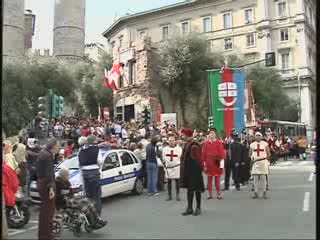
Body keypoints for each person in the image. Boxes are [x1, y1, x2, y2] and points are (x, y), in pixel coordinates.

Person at [36, 138, 60, 240]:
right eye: (58, 146)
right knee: (48, 213)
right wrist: (51, 188)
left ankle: (43, 235)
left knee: (44, 212)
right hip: (46, 185)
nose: (58, 148)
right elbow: (49, 174)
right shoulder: (48, 156)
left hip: (41, 183)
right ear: (53, 146)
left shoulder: (42, 153)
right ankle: (46, 236)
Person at [180, 127, 204, 216]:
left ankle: (198, 208)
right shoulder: (187, 144)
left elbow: (198, 161)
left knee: (197, 190)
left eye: (183, 134)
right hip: (189, 172)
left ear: (187, 135)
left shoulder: (194, 145)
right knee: (189, 191)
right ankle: (189, 208)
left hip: (195, 172)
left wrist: (198, 172)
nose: (182, 136)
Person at [78, 135, 103, 215]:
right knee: (96, 195)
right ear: (94, 141)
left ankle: (90, 214)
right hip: (94, 172)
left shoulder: (81, 150)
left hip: (85, 173)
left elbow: (79, 164)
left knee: (88, 196)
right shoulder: (96, 149)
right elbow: (100, 161)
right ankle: (97, 215)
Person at [202, 128, 225, 199]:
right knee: (209, 180)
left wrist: (221, 164)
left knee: (217, 180)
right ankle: (210, 194)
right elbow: (203, 154)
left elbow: (222, 154)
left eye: (213, 133)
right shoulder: (206, 143)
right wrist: (204, 164)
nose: (212, 134)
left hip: (216, 162)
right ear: (209, 135)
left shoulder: (218, 142)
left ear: (215, 135)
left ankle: (219, 194)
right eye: (210, 133)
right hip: (209, 162)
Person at [249, 132, 270, 199]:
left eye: (259, 136)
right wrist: (252, 158)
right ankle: (256, 192)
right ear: (255, 137)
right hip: (255, 162)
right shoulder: (252, 145)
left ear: (261, 136)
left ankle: (264, 192)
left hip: (263, 162)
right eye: (256, 136)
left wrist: (267, 161)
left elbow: (268, 153)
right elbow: (249, 153)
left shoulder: (265, 144)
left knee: (263, 178)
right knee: (255, 178)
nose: (258, 137)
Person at [162, 135, 182, 201]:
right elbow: (164, 158)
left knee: (177, 181)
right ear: (168, 141)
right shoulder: (164, 149)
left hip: (176, 167)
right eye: (170, 140)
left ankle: (178, 195)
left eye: (172, 140)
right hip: (168, 167)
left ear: (175, 141)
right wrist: (165, 165)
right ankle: (169, 195)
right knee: (169, 182)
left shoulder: (179, 149)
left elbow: (180, 157)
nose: (171, 142)